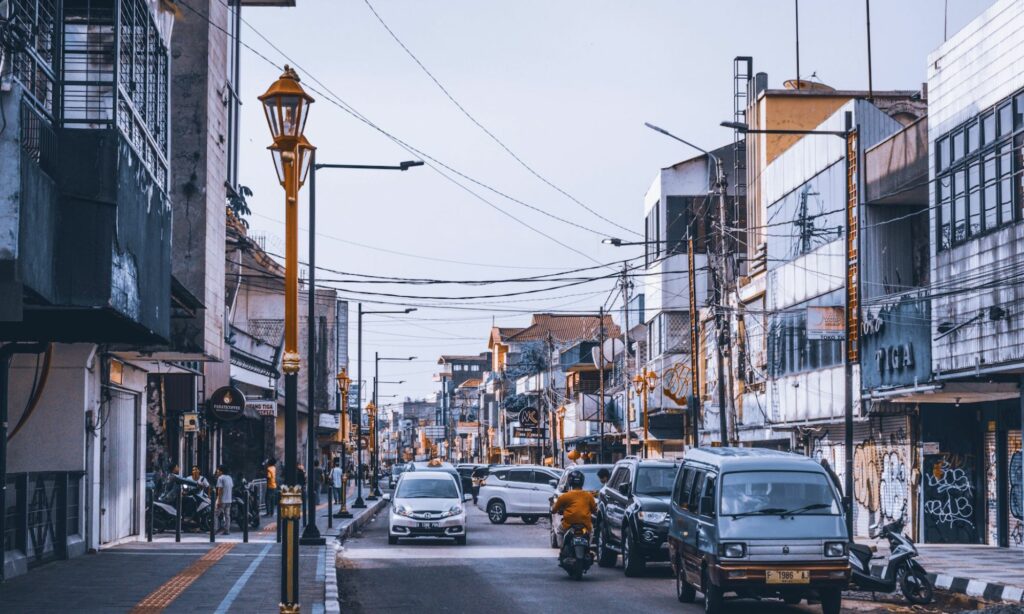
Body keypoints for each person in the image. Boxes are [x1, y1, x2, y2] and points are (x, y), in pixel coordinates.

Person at [552, 470, 597, 550]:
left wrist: (554, 509)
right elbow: (594, 510)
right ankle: (588, 548)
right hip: (585, 523)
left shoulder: (565, 496)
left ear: (570, 482)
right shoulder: (589, 495)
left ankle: (562, 549)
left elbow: (554, 509)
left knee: (559, 531)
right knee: (591, 532)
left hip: (569, 523)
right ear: (582, 482)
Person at [215, 465, 233, 535]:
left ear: (221, 471)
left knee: (215, 515)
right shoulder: (229, 478)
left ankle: (214, 529)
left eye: (218, 470)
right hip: (229, 500)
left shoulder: (220, 478)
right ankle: (227, 530)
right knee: (227, 516)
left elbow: (220, 489)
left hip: (222, 500)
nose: (217, 472)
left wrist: (219, 500)